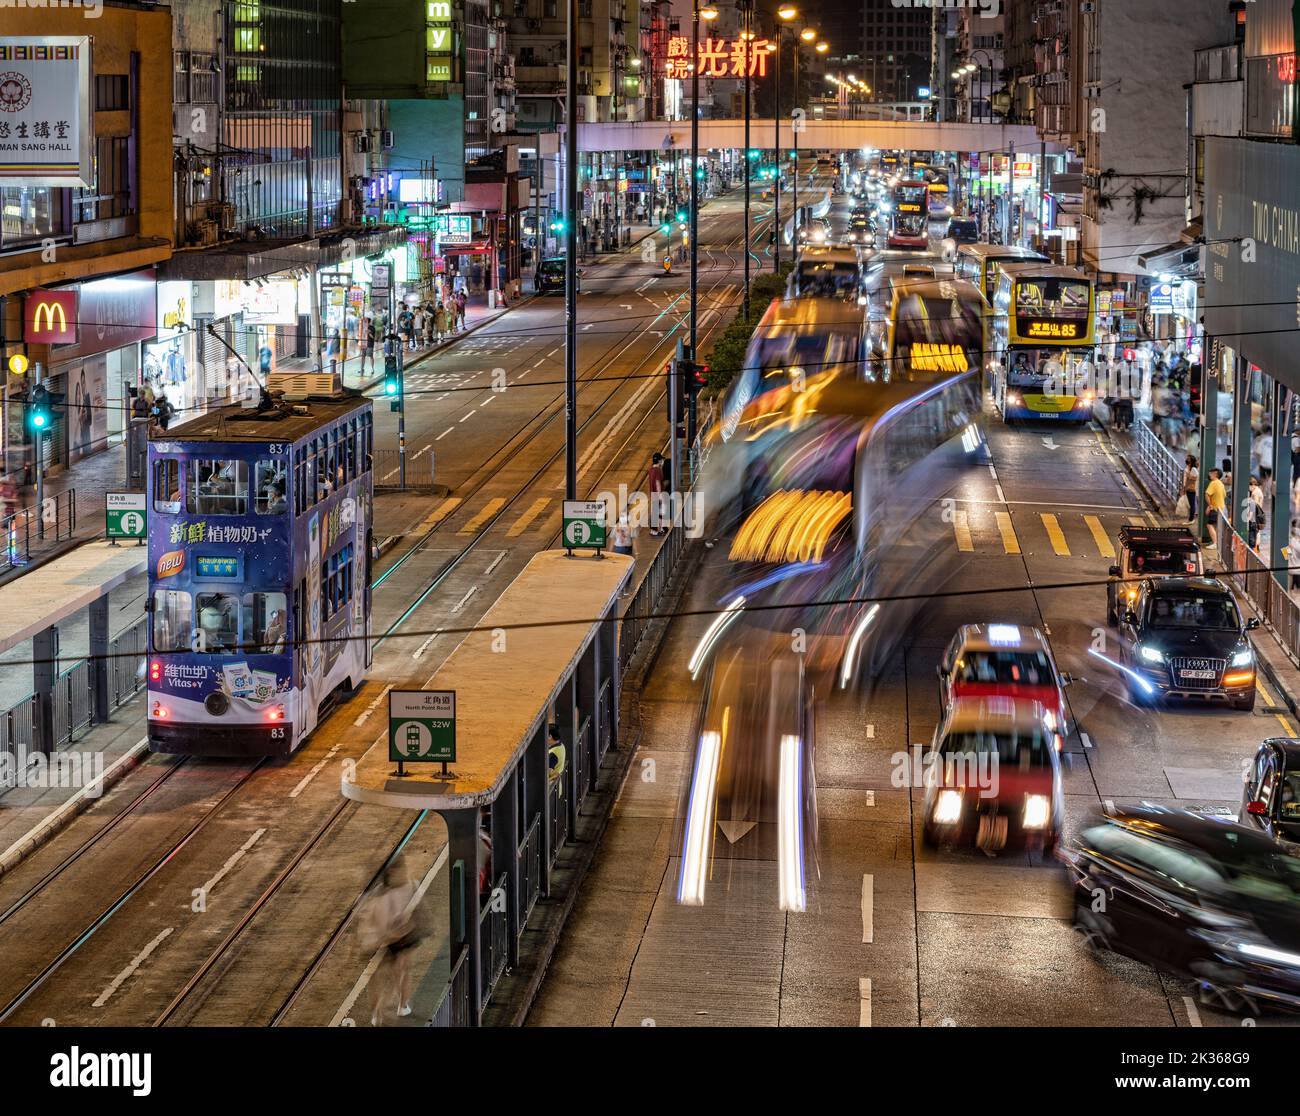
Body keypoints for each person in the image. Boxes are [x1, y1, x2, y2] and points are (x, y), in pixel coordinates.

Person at [358, 862, 427, 1025]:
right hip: (392, 938)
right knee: (394, 973)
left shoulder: (378, 893)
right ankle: (395, 1007)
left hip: (385, 939)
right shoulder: (397, 891)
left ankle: (382, 1011)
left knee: (386, 975)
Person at [1205, 467, 1227, 549]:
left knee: (1209, 525)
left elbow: (1207, 494)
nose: (1209, 474)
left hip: (1215, 508)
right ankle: (1217, 542)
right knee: (1217, 526)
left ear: (1215, 474)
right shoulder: (1221, 483)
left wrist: (1210, 505)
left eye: (1210, 472)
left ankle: (1215, 543)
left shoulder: (1213, 483)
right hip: (1221, 508)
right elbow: (1224, 495)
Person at [647, 452, 665, 537]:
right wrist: (660, 494)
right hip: (657, 494)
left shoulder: (650, 470)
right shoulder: (658, 470)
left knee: (657, 512)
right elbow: (657, 483)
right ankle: (655, 530)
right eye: (661, 460)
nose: (662, 461)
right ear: (659, 461)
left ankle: (659, 529)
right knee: (658, 512)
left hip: (652, 494)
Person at [1181, 455, 1198, 525]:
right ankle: (1190, 518)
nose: (1186, 459)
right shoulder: (1189, 468)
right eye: (1186, 458)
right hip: (1187, 488)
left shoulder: (1193, 469)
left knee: (1192, 504)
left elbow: (1196, 477)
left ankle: (1191, 519)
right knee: (1190, 504)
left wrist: (1189, 476)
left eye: (1188, 459)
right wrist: (1183, 488)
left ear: (1191, 461)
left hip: (1191, 489)